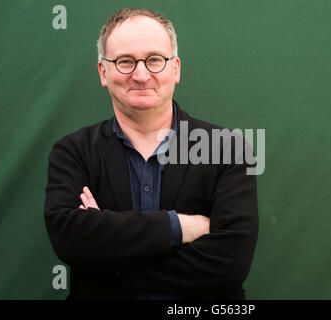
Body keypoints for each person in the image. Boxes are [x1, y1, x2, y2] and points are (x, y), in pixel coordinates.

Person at [44, 8, 258, 300]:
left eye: (155, 60)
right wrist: (179, 226)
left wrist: (107, 261)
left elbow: (231, 263)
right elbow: (70, 240)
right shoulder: (72, 152)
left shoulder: (227, 150)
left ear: (176, 69)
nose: (141, 75)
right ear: (103, 72)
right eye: (125, 62)